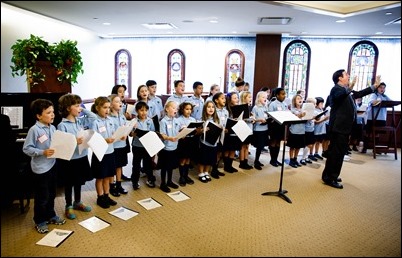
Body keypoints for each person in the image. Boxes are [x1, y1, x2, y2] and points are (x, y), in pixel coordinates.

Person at [321, 70, 381, 189]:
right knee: (336, 153)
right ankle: (331, 177)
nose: (348, 76)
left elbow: (358, 94)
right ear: (339, 78)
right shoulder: (336, 89)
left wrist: (374, 86)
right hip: (339, 127)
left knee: (336, 152)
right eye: (346, 74)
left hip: (343, 127)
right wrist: (350, 87)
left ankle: (328, 175)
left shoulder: (345, 91)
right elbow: (339, 97)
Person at [23, 99, 66, 233]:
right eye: (48, 113)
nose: (52, 115)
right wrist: (42, 152)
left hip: (52, 165)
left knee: (52, 193)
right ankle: (40, 220)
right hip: (41, 169)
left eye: (53, 112)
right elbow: (27, 148)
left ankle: (50, 215)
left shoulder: (52, 128)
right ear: (38, 116)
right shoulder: (34, 130)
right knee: (42, 196)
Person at [57, 93, 96, 220]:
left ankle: (77, 202)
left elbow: (93, 117)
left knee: (79, 181)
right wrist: (74, 141)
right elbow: (62, 145)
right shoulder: (62, 125)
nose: (80, 108)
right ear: (68, 108)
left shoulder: (80, 120)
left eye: (80, 105)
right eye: (77, 105)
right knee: (69, 183)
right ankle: (68, 205)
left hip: (82, 156)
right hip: (70, 160)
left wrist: (82, 108)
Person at [91, 96, 117, 208]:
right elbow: (93, 139)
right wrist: (105, 140)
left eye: (108, 108)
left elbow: (113, 133)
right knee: (100, 177)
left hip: (110, 152)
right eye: (104, 108)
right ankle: (100, 197)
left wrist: (119, 136)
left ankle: (107, 196)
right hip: (100, 153)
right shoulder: (95, 122)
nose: (107, 110)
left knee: (108, 176)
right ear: (97, 108)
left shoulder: (110, 120)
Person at [130, 101, 156, 189]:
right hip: (137, 146)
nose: (144, 112)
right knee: (136, 165)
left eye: (146, 110)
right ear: (137, 111)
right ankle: (135, 181)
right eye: (141, 110)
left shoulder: (150, 120)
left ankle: (150, 179)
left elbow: (153, 131)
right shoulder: (134, 121)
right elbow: (130, 133)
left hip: (147, 146)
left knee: (148, 164)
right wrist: (132, 133)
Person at [158, 100, 181, 192]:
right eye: (173, 108)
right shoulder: (163, 121)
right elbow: (162, 135)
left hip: (174, 147)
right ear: (167, 109)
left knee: (171, 166)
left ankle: (169, 181)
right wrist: (169, 138)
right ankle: (163, 183)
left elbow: (179, 131)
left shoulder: (176, 121)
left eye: (177, 108)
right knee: (164, 166)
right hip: (166, 148)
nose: (175, 110)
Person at [108, 94, 129, 197]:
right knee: (113, 167)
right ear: (111, 105)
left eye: (120, 101)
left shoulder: (122, 116)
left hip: (122, 144)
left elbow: (125, 128)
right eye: (117, 102)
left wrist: (127, 132)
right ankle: (112, 186)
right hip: (114, 146)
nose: (120, 103)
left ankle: (119, 185)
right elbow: (110, 133)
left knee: (120, 166)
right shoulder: (109, 118)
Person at [362, 82, 392, 153]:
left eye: (383, 88)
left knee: (377, 133)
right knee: (368, 132)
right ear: (377, 88)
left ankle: (375, 149)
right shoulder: (373, 94)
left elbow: (391, 101)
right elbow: (372, 102)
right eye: (380, 87)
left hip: (381, 118)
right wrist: (379, 101)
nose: (382, 89)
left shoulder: (385, 96)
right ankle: (365, 147)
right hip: (372, 117)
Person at [111, 84, 131, 181]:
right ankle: (114, 180)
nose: (122, 94)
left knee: (121, 160)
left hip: (123, 138)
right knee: (115, 162)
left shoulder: (124, 105)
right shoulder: (110, 115)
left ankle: (120, 175)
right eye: (120, 91)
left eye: (124, 91)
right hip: (114, 142)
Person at [198, 100, 221, 182]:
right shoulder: (202, 119)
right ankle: (201, 172)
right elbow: (198, 131)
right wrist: (203, 130)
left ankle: (206, 171)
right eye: (208, 107)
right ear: (205, 109)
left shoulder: (216, 119)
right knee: (203, 158)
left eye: (212, 107)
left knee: (210, 159)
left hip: (213, 143)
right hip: (204, 143)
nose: (211, 109)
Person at [177, 102, 199, 186]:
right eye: (187, 109)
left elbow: (195, 130)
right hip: (183, 141)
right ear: (182, 110)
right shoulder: (179, 120)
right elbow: (177, 131)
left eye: (190, 109)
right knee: (183, 159)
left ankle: (186, 176)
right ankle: (181, 177)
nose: (189, 111)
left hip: (191, 141)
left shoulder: (193, 120)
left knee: (188, 159)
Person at [251, 91, 269, 170]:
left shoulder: (265, 107)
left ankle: (258, 160)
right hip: (258, 129)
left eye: (266, 97)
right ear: (258, 98)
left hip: (265, 128)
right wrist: (259, 120)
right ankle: (256, 161)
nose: (265, 99)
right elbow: (253, 119)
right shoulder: (255, 108)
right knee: (259, 146)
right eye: (263, 97)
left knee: (262, 146)